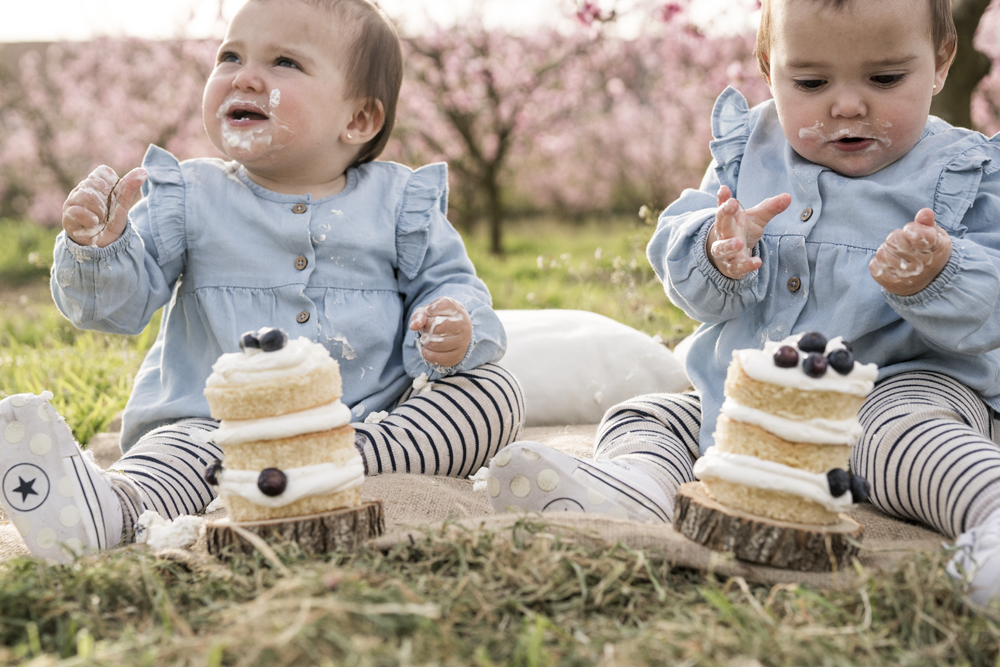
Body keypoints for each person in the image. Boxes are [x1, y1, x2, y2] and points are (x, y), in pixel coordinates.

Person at [487, 0, 1000, 604]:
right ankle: (635, 488)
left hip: (894, 386)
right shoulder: (744, 152)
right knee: (650, 415)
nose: (847, 104)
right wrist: (715, 252)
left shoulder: (964, 171)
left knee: (906, 436)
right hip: (743, 405)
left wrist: (939, 274)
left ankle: (988, 514)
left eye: (885, 79)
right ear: (768, 65)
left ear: (940, 63)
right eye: (810, 82)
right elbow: (689, 284)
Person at [0, 0, 524, 563]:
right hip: (214, 430)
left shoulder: (400, 206)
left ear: (359, 120)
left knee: (492, 394)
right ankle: (113, 509)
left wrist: (454, 322)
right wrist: (100, 251)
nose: (244, 76)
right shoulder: (190, 196)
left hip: (363, 424)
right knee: (171, 458)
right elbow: (115, 310)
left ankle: (334, 467)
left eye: (285, 63)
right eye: (230, 55)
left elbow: (450, 283)